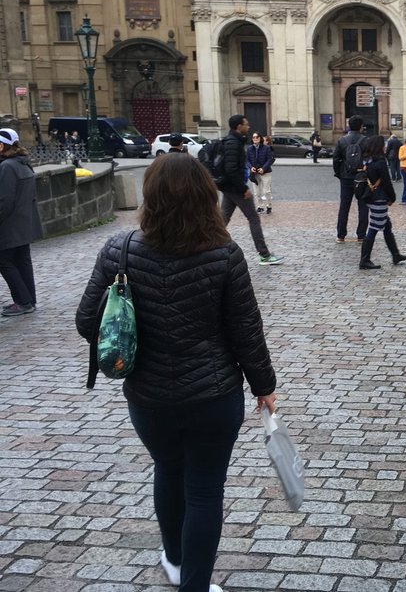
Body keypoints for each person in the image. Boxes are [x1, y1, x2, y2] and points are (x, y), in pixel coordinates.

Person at [75, 153, 278, 592]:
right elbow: (246, 331)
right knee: (204, 490)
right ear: (206, 197)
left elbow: (86, 323)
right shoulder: (225, 253)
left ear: (151, 197)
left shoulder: (120, 250)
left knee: (168, 470)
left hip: (149, 396)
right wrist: (265, 386)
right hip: (214, 395)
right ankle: (194, 584)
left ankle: (174, 560)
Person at [218, 115, 284, 265]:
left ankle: (207, 247)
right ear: (238, 126)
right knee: (253, 218)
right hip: (235, 188)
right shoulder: (233, 143)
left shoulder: (234, 141)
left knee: (223, 220)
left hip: (230, 188)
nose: (248, 127)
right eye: (246, 124)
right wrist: (243, 188)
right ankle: (264, 255)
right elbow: (231, 169)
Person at [0, 128, 42, 317]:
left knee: (5, 261)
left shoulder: (7, 166)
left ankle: (23, 301)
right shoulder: (23, 163)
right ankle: (28, 299)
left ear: (2, 146)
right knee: (22, 261)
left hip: (10, 225)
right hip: (24, 224)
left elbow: (5, 200)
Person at [358, 135, 406, 270]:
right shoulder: (380, 162)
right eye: (383, 144)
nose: (385, 146)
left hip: (370, 197)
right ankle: (364, 260)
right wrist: (392, 197)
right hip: (379, 198)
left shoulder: (367, 160)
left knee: (387, 225)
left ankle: (395, 254)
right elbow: (386, 182)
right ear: (379, 146)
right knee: (374, 228)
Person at [333, 115, 368, 243]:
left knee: (344, 206)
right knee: (363, 206)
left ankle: (341, 235)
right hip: (361, 177)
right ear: (360, 127)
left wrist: (339, 173)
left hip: (346, 177)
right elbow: (369, 159)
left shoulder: (342, 140)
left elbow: (336, 159)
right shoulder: (365, 140)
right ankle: (361, 235)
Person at [246, 132, 274, 215]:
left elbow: (269, 160)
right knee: (256, 192)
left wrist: (263, 168)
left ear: (260, 138)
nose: (255, 138)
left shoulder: (266, 148)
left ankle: (269, 206)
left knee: (266, 191)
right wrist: (251, 167)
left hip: (265, 172)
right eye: (253, 137)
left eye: (257, 137)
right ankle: (260, 206)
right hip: (255, 173)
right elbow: (247, 160)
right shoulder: (249, 148)